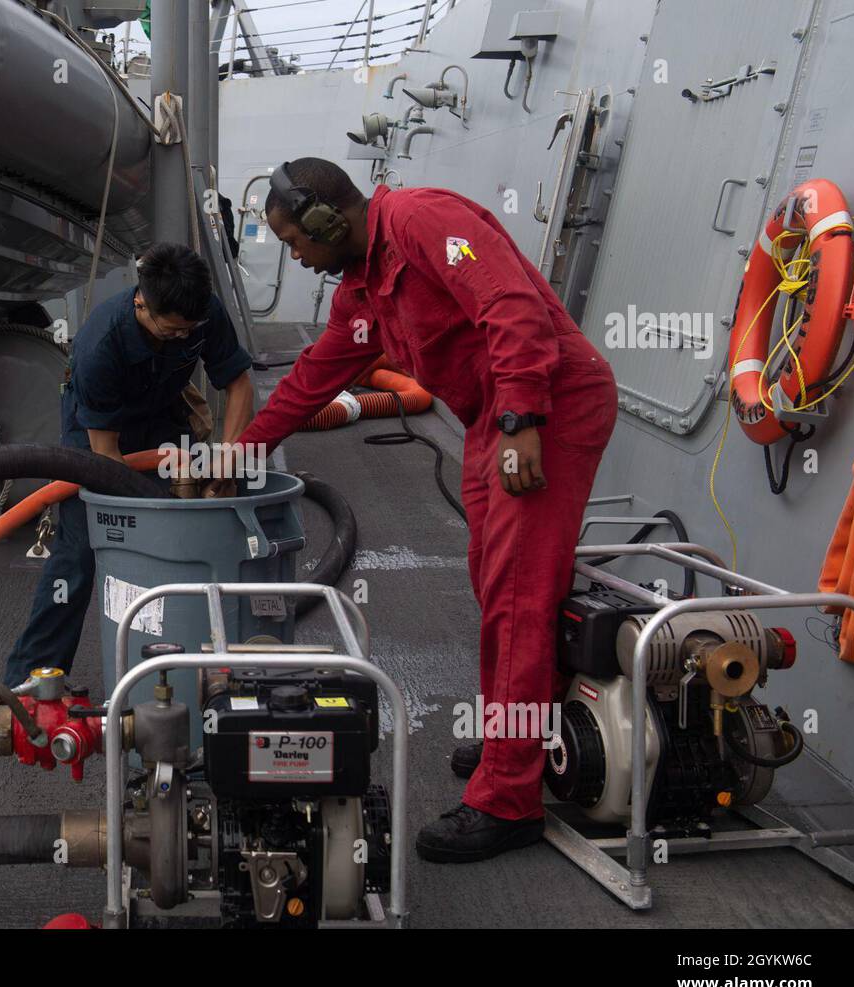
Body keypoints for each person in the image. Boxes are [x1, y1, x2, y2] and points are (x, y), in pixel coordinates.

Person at [227, 158, 618, 862]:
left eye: (295, 241)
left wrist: (523, 415)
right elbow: (314, 376)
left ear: (325, 218)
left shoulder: (421, 220)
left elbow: (509, 305)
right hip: (490, 419)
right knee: (496, 584)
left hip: (544, 408)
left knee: (518, 597)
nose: (296, 256)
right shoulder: (361, 292)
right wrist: (242, 452)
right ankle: (522, 738)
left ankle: (508, 797)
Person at [2, 242, 254, 685]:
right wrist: (161, 508)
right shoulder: (99, 345)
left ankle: (202, 662)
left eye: (189, 331)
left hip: (161, 417)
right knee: (78, 556)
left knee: (207, 525)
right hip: (97, 435)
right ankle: (32, 681)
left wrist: (231, 456)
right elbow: (108, 464)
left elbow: (237, 383)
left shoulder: (200, 312)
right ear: (142, 302)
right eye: (172, 331)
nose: (183, 336)